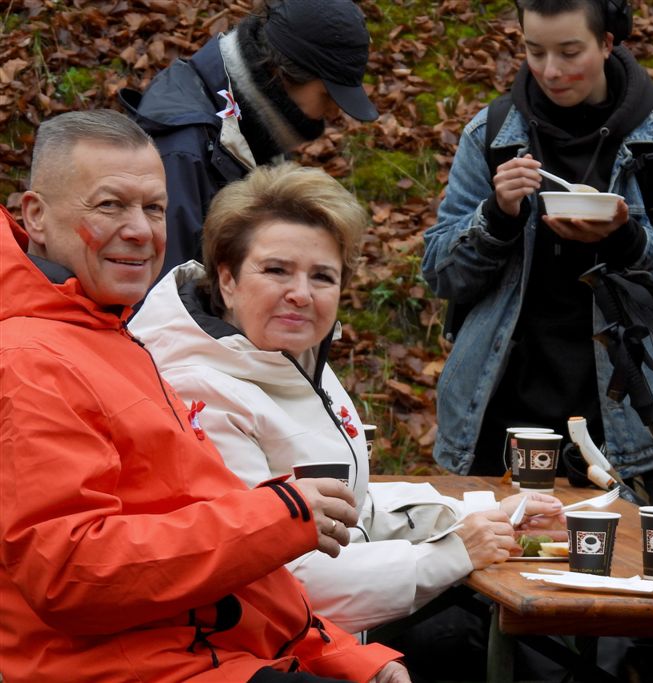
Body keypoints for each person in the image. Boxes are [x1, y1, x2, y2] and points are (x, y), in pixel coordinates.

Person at [0, 109, 407, 683]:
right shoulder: (32, 360)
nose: (140, 231)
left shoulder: (111, 336)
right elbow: (71, 573)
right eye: (110, 205)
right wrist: (282, 513)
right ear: (36, 215)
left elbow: (225, 549)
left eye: (154, 208)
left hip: (206, 652)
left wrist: (342, 655)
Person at [129, 161, 566, 637]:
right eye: (276, 270)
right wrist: (451, 552)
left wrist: (479, 517)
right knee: (475, 639)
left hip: (329, 634)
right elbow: (275, 579)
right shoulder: (199, 392)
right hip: (249, 645)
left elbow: (348, 506)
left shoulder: (292, 355)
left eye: (322, 276)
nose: (301, 294)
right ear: (227, 279)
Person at [421, 0, 653, 502]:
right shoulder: (492, 135)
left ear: (607, 42)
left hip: (626, 426)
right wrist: (497, 216)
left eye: (570, 53)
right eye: (535, 51)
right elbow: (440, 273)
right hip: (497, 423)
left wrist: (628, 240)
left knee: (628, 554)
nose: (551, 71)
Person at [119, 0, 379, 282]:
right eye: (327, 96)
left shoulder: (253, 124)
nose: (333, 112)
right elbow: (160, 296)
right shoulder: (183, 151)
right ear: (279, 74)